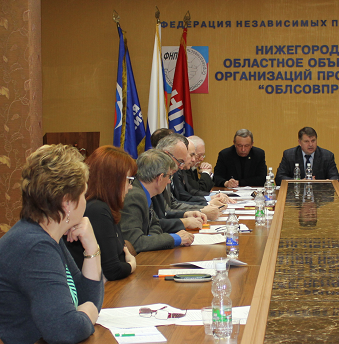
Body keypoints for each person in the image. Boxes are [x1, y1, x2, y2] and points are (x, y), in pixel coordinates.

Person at [0, 144, 103, 343]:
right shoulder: (34, 247)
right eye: (83, 195)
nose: (85, 201)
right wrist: (88, 314)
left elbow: (86, 300)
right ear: (67, 203)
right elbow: (65, 331)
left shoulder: (46, 235)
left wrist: (92, 248)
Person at [65, 146, 138, 281]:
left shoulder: (105, 206)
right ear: (113, 180)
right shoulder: (97, 209)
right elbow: (113, 270)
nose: (130, 186)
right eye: (129, 180)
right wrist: (131, 265)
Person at [119, 149, 195, 253]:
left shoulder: (144, 192)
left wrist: (151, 239)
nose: (169, 181)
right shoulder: (134, 196)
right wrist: (175, 238)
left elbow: (155, 224)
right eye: (169, 176)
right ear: (159, 178)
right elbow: (134, 242)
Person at [275, 126, 339, 185]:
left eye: (313, 141)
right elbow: (279, 178)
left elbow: (336, 178)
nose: (310, 144)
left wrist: (324, 182)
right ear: (300, 142)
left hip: (319, 195)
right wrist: (299, 181)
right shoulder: (289, 155)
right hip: (296, 195)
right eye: (306, 141)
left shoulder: (327, 156)